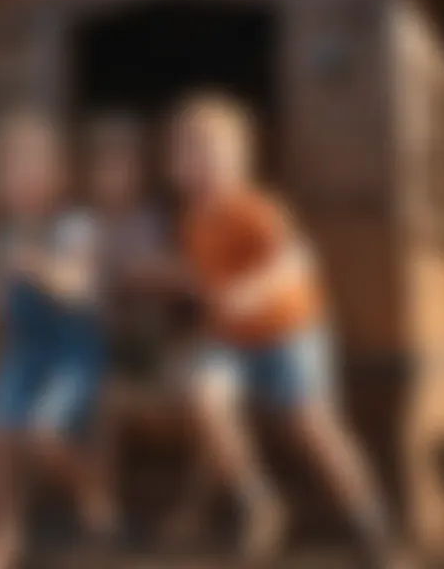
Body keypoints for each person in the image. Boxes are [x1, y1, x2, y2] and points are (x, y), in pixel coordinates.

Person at [167, 90, 409, 568]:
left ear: (241, 162)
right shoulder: (193, 223)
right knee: (204, 393)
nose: (201, 165)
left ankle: (375, 530)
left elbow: (296, 260)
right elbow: (203, 287)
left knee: (311, 422)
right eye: (189, 154)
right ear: (175, 166)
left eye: (213, 154)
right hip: (233, 342)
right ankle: (259, 502)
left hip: (288, 334)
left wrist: (253, 290)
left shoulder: (257, 209)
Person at [0, 113, 110, 569]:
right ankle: (4, 532)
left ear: (59, 178)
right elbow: (3, 299)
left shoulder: (76, 227)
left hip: (72, 356)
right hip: (24, 356)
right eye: (14, 172)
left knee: (45, 435)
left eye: (35, 170)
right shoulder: (4, 238)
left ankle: (91, 490)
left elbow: (79, 289)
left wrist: (34, 264)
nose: (24, 181)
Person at [84, 114, 207, 544]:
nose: (115, 178)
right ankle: (103, 512)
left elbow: (180, 279)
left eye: (125, 168)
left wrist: (144, 275)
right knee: (103, 405)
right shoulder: (84, 226)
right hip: (103, 345)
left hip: (150, 339)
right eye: (105, 168)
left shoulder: (152, 221)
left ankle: (196, 509)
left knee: (201, 392)